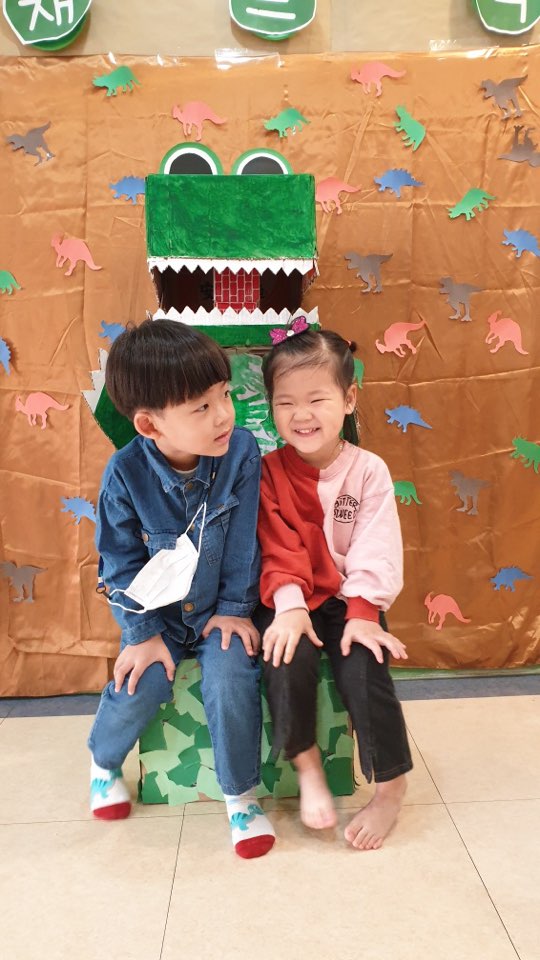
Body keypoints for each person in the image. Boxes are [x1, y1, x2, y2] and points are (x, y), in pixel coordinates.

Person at [88, 319, 275, 859]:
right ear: (150, 424)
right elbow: (119, 563)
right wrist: (142, 634)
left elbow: (245, 541)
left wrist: (236, 609)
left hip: (221, 609)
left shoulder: (241, 452)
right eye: (201, 407)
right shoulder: (124, 475)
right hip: (159, 619)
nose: (224, 415)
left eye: (225, 395)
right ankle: (102, 762)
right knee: (139, 683)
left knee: (232, 676)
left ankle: (241, 798)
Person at [255, 325, 413, 851]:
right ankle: (307, 767)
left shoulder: (368, 471)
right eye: (285, 403)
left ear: (348, 399)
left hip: (350, 599)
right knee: (285, 659)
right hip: (290, 598)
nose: (301, 415)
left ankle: (390, 787)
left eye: (317, 399)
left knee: (365, 667)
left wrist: (364, 613)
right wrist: (289, 607)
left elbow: (376, 544)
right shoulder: (266, 472)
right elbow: (275, 544)